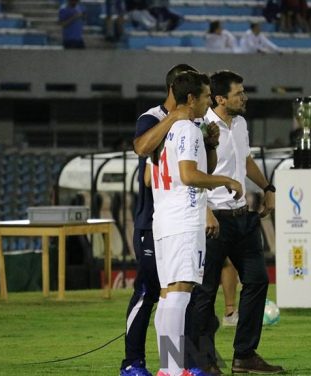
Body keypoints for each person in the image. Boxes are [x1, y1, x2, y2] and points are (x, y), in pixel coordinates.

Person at [151, 70, 243, 376]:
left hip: (165, 220)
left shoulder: (175, 128)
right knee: (180, 293)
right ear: (191, 99)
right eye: (205, 96)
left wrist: (212, 149)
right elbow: (189, 175)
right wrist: (224, 179)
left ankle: (169, 367)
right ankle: (174, 370)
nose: (207, 102)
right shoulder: (188, 130)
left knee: (168, 295)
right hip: (184, 221)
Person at [193, 70, 284, 374]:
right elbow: (192, 173)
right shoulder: (201, 126)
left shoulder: (241, 124)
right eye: (239, 93)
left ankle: (244, 354)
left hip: (243, 216)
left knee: (258, 281)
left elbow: (245, 162)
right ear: (220, 99)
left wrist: (268, 188)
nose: (244, 97)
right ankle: (204, 360)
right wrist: (204, 209)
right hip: (214, 219)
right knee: (205, 292)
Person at [120, 64, 198, 376]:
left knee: (181, 293)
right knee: (149, 291)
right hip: (152, 222)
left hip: (182, 221)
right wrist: (172, 118)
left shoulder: (194, 121)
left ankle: (178, 365)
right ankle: (133, 363)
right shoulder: (152, 118)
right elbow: (141, 148)